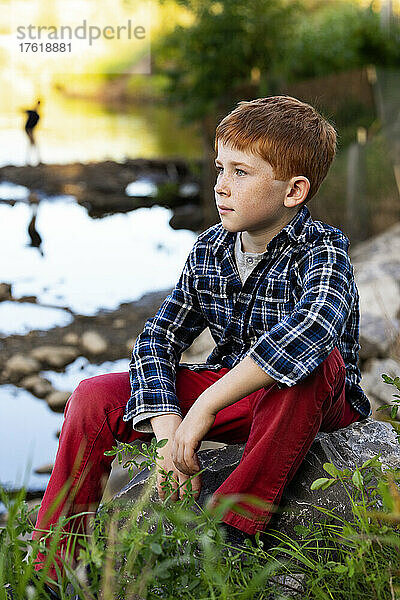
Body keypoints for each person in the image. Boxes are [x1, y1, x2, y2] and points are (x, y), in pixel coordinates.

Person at [32, 95, 370, 590]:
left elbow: (312, 333)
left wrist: (205, 407)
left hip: (313, 402)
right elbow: (159, 337)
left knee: (314, 363)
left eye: (241, 172)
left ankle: (233, 526)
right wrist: (172, 434)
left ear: (294, 191)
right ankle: (52, 567)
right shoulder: (210, 248)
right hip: (238, 397)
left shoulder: (323, 250)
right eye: (219, 168)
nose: (220, 186)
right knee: (91, 397)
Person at [23, 100, 41, 164]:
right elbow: (23, 110)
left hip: (30, 130)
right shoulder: (32, 112)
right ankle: (29, 160)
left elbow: (35, 124)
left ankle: (31, 160)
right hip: (28, 130)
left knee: (33, 144)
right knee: (32, 144)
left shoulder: (37, 115)